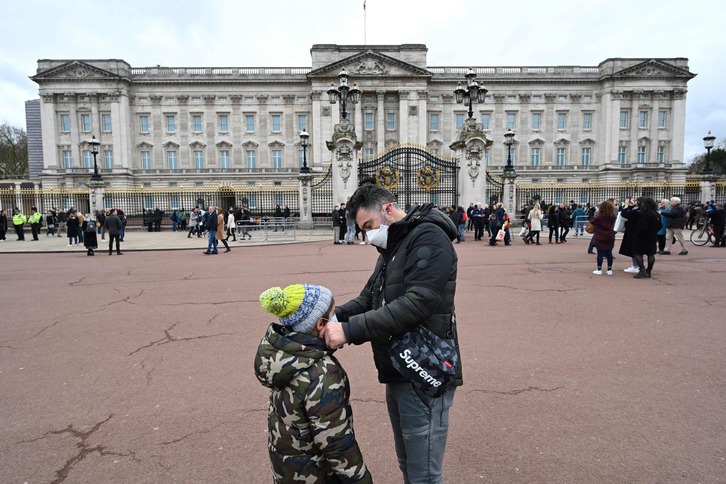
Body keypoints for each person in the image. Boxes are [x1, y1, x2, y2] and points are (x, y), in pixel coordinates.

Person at [320, 183, 462, 484]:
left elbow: (418, 303)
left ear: (387, 209)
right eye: (363, 230)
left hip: (424, 370)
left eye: (369, 226)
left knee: (424, 473)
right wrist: (329, 317)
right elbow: (368, 299)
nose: (367, 235)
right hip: (399, 366)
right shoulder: (393, 243)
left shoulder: (429, 237)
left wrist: (348, 331)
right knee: (408, 464)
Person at [256, 284, 372, 483]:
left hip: (287, 471)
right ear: (320, 324)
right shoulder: (323, 373)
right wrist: (360, 479)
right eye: (331, 315)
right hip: (318, 474)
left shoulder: (282, 356)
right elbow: (336, 442)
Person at [631, 197, 661, 279]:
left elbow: (643, 228)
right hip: (652, 236)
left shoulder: (646, 214)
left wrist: (637, 234)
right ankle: (649, 270)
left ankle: (642, 270)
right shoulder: (656, 213)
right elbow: (659, 225)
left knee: (637, 253)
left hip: (643, 237)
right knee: (650, 254)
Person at [590, 200, 617, 275]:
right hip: (610, 235)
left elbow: (592, 221)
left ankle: (599, 269)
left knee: (600, 253)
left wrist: (596, 212)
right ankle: (609, 269)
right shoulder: (613, 216)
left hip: (600, 235)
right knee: (609, 253)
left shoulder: (599, 217)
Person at [619, 197, 642, 274]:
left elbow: (624, 214)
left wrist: (626, 205)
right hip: (640, 231)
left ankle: (636, 266)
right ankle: (638, 265)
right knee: (638, 250)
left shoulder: (637, 211)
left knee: (634, 250)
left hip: (633, 231)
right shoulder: (644, 210)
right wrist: (631, 205)